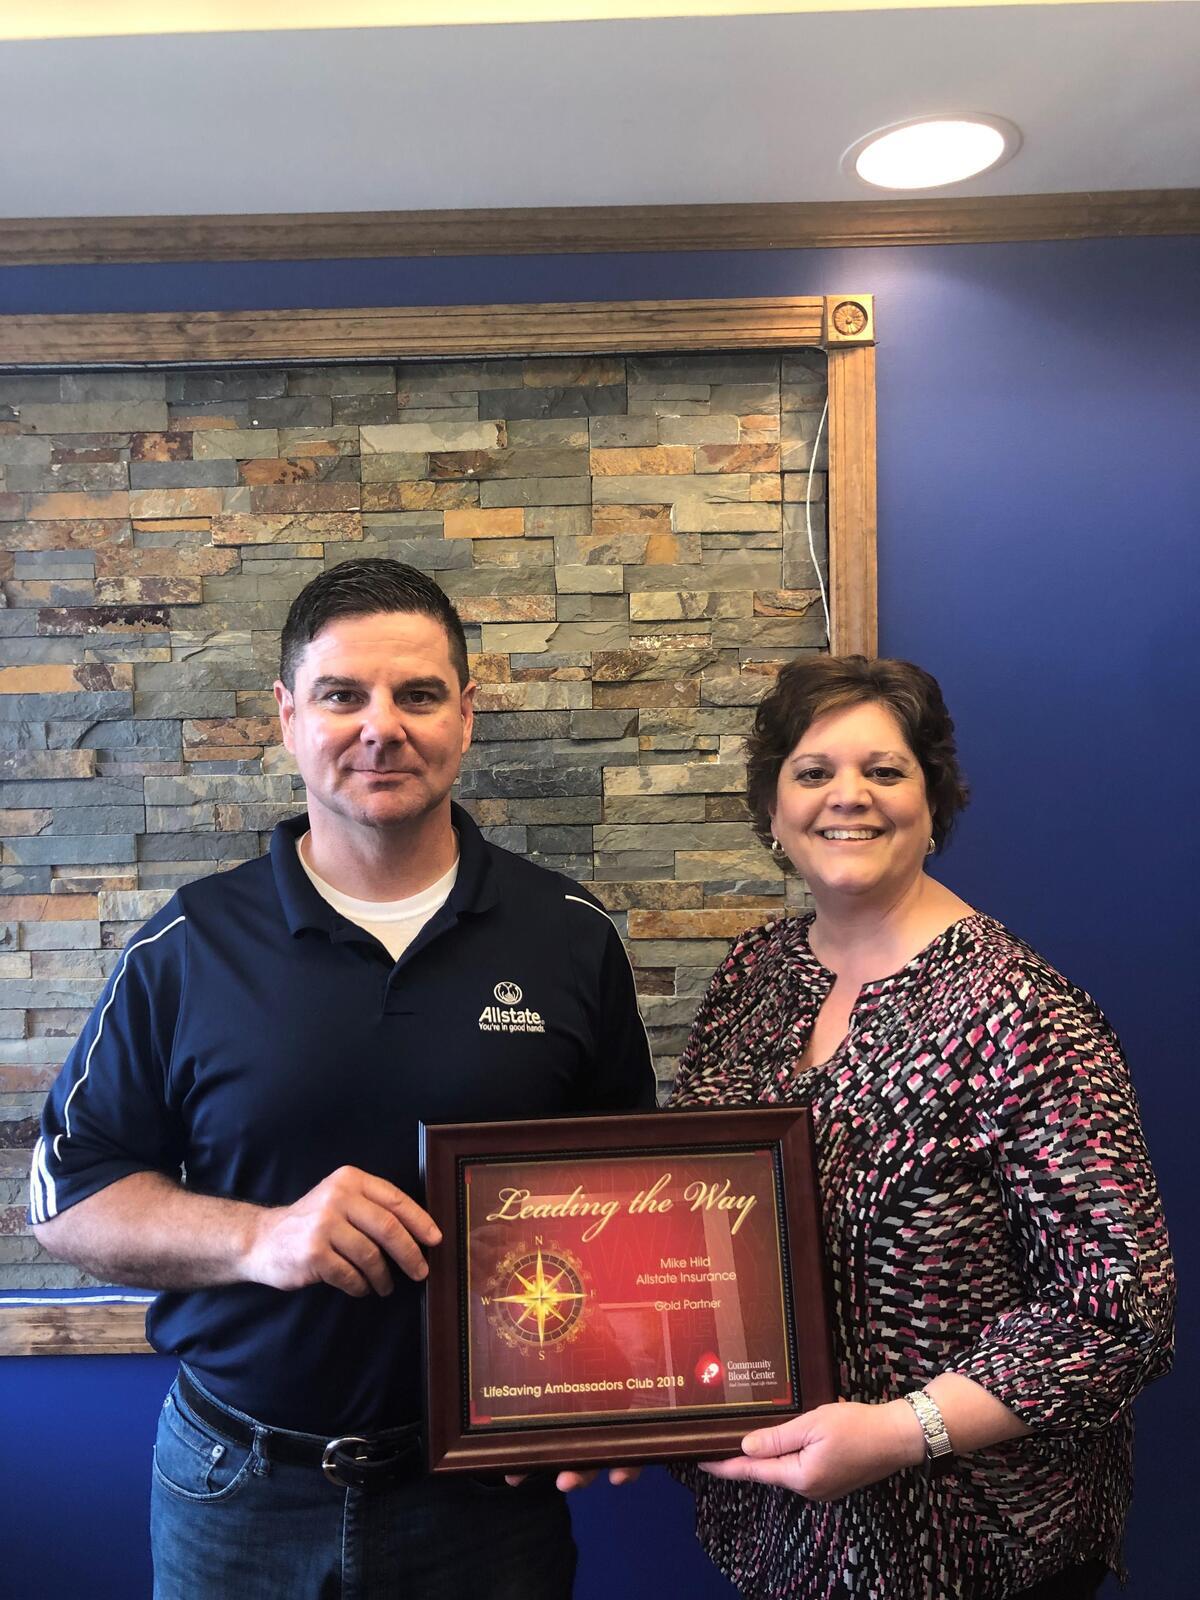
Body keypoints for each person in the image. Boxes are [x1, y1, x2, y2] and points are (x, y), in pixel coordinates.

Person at [29, 558, 655, 1600]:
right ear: (289, 717)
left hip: (489, 1501)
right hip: (239, 1490)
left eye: (418, 695)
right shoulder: (190, 944)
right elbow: (65, 1199)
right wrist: (261, 1237)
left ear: (467, 714)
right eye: (341, 695)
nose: (382, 727)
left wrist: (610, 1393)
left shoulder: (570, 937)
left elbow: (630, 1205)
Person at [669, 655, 1174, 1600]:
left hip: (973, 1541)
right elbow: (688, 1210)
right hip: (780, 1533)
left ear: (932, 801)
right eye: (813, 772)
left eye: (884, 771)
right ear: (773, 809)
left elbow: (1118, 1312)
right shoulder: (751, 976)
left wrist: (904, 1432)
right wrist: (617, 1396)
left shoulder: (1022, 1010)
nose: (847, 796)